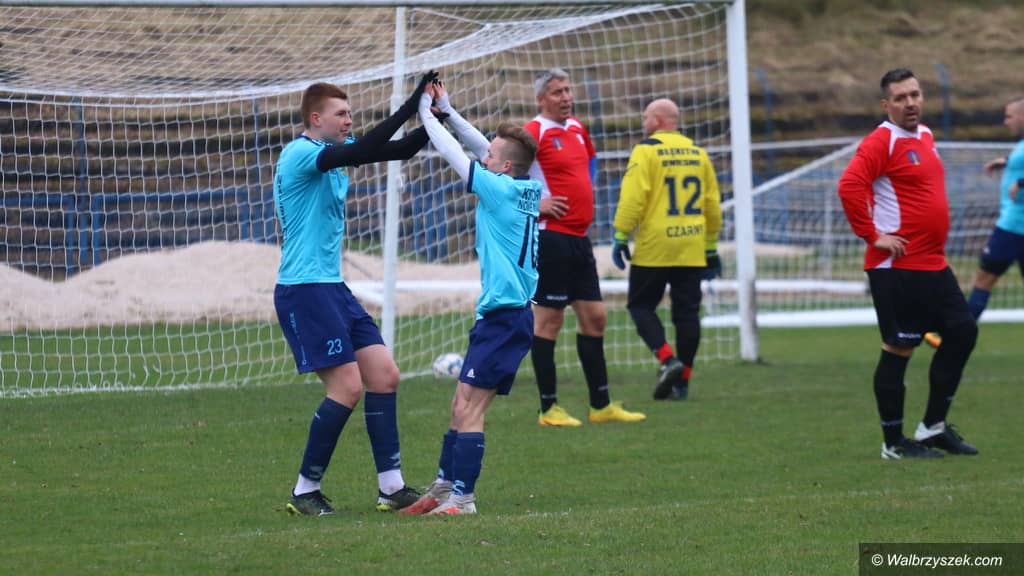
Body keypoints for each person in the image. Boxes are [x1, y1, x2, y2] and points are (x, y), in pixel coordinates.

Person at [273, 71, 439, 516]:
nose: (349, 120)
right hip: (303, 289)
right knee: (347, 387)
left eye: (350, 113)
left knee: (384, 375)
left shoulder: (336, 151)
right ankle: (304, 490)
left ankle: (391, 487)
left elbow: (399, 149)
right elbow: (363, 150)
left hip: (331, 287)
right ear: (316, 118)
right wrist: (410, 105)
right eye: (341, 114)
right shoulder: (300, 153)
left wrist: (433, 117)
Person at [399, 80, 540, 515]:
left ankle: (463, 497)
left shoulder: (499, 189)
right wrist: (449, 109)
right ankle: (444, 488)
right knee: (459, 404)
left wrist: (426, 113)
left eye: (491, 157)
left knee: (471, 410)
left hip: (507, 317)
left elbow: (456, 155)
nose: (484, 157)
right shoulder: (523, 185)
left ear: (505, 167)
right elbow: (484, 147)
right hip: (502, 316)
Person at [837, 68, 979, 460]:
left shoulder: (926, 136)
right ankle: (894, 443)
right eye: (900, 98)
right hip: (898, 267)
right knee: (899, 349)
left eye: (915, 94)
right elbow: (849, 186)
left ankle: (933, 427)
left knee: (963, 332)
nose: (910, 103)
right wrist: (872, 235)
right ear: (887, 105)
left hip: (933, 264)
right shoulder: (881, 141)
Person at [524, 67, 645, 426]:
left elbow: (591, 162)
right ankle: (548, 408)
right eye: (557, 92)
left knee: (595, 317)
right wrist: (537, 204)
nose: (566, 97)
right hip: (551, 237)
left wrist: (584, 192)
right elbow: (501, 176)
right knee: (549, 321)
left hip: (579, 238)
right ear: (541, 99)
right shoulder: (533, 132)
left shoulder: (577, 128)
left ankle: (601, 406)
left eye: (568, 90)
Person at [611, 98, 722, 401]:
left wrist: (621, 234)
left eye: (645, 117)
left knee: (640, 306)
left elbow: (633, 197)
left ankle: (667, 359)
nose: (643, 122)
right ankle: (682, 383)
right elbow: (712, 204)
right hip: (691, 244)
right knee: (687, 314)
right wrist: (711, 247)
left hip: (656, 245)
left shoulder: (646, 151)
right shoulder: (698, 153)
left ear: (658, 120)